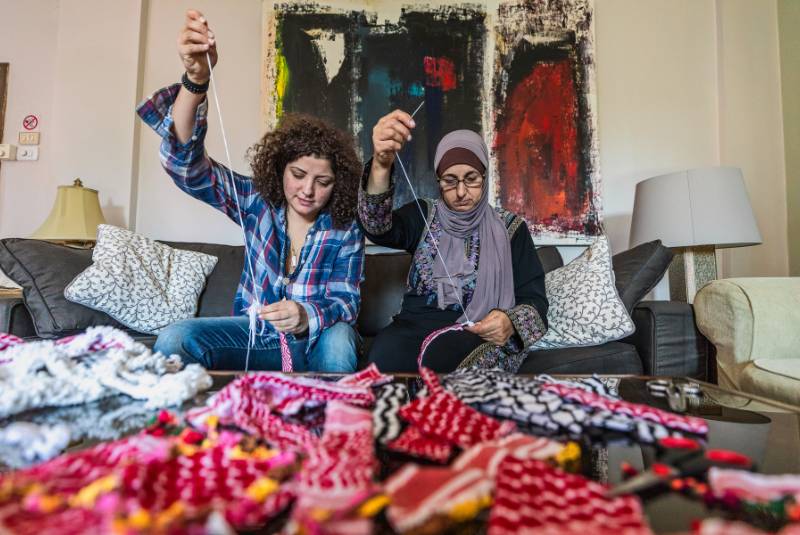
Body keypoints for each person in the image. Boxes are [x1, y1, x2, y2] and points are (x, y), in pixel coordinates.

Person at [138, 10, 364, 372]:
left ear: (338, 184)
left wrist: (305, 315)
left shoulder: (345, 228)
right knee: (174, 337)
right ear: (280, 168)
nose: (308, 190)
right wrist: (196, 81)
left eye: (323, 182)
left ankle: (333, 410)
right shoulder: (256, 201)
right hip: (258, 337)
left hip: (318, 339)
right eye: (298, 174)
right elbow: (186, 168)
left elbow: (347, 302)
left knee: (341, 338)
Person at [358, 110, 548, 372]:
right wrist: (381, 164)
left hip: (477, 333)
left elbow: (536, 302)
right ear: (438, 181)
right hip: (413, 329)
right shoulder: (424, 214)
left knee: (445, 360)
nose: (460, 192)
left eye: (471, 179)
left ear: (484, 177)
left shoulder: (511, 229)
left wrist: (509, 322)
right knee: (383, 360)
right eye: (450, 181)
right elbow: (376, 227)